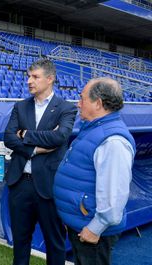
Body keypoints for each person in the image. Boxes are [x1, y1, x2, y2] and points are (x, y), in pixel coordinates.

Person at [54, 77, 135, 265]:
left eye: (82, 99)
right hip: (83, 226)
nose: (78, 103)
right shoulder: (94, 129)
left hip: (92, 232)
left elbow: (114, 194)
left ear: (98, 103)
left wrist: (95, 228)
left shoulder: (113, 141)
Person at [3, 58, 77, 265]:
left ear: (50, 79)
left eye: (35, 77)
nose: (29, 81)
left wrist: (25, 134)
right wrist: (36, 148)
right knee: (20, 241)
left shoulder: (66, 108)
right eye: (28, 76)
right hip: (20, 184)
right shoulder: (20, 107)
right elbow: (9, 138)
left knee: (55, 243)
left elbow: (59, 137)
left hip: (49, 186)